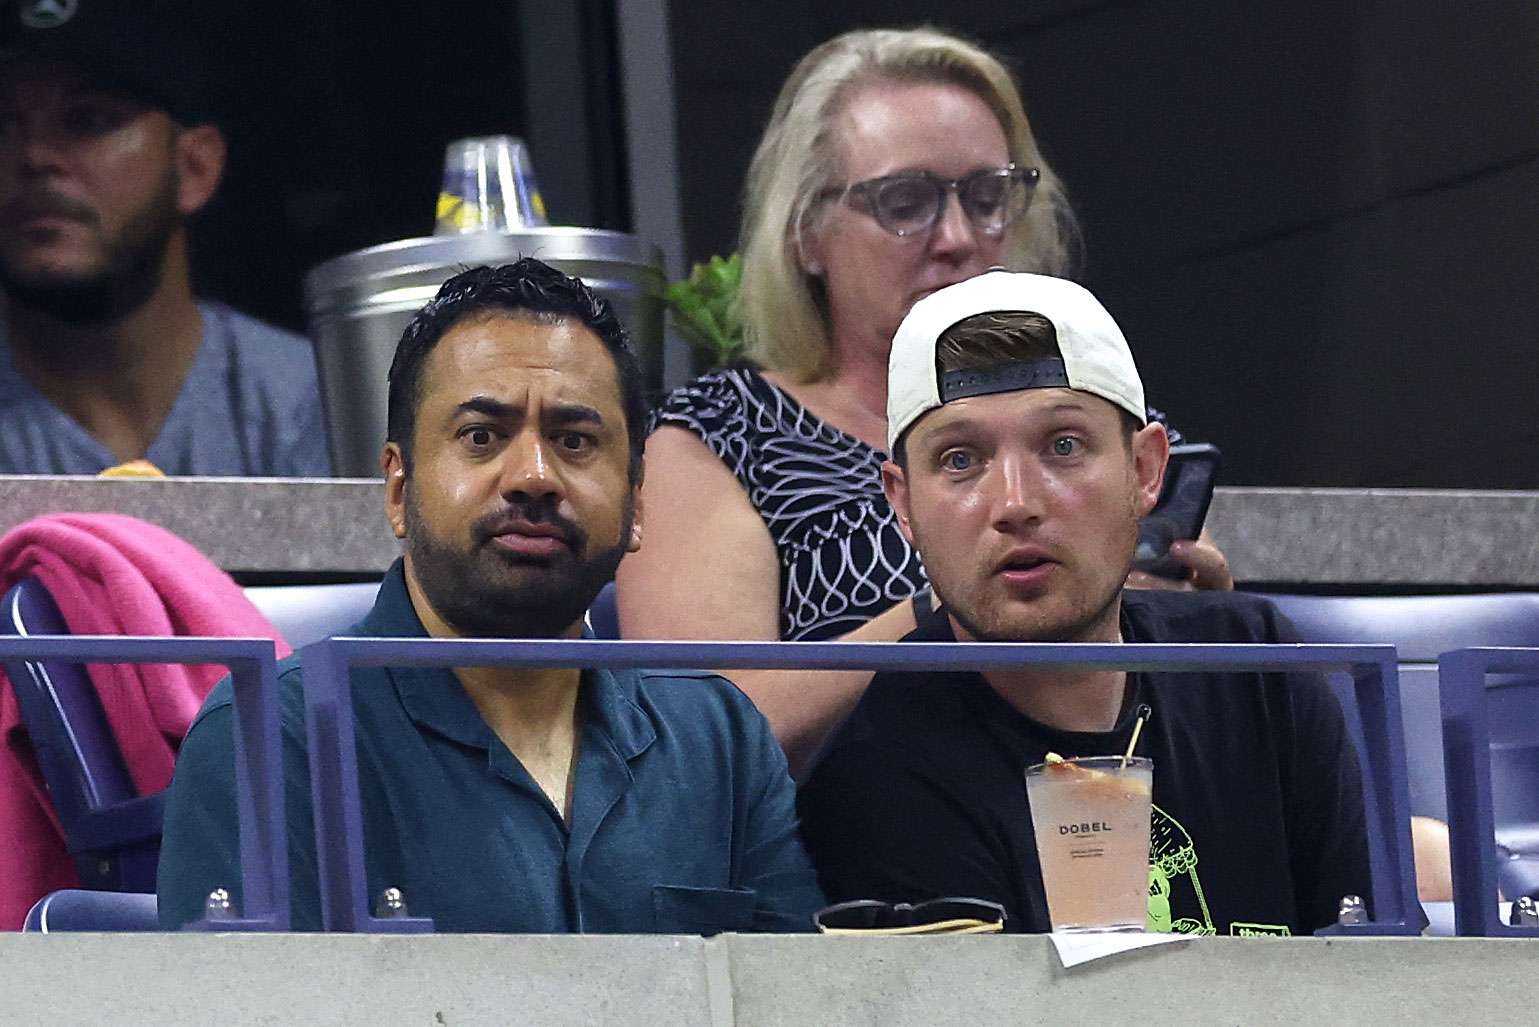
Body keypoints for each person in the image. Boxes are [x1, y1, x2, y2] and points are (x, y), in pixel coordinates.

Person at [616, 27, 1230, 773]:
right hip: (859, 867)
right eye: (904, 202)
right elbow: (695, 749)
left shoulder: (1096, 413)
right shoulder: (722, 436)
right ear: (806, 233)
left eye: (985, 196)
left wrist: (1193, 620)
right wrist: (946, 608)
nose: (956, 237)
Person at [157, 259, 823, 932]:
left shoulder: (720, 740)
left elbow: (798, 1001)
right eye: (481, 436)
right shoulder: (274, 737)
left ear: (637, 500)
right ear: (398, 488)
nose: (534, 476)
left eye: (574, 440)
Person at [796, 271, 1370, 936]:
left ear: (1145, 470)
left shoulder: (1254, 663)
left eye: (1062, 446)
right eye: (959, 459)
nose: (1015, 503)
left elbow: (1359, 960)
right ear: (903, 504)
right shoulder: (876, 766)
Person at [0, 0, 330, 475]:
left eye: (87, 120)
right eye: (2, 128)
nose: (33, 156)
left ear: (194, 167)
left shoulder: (312, 406)